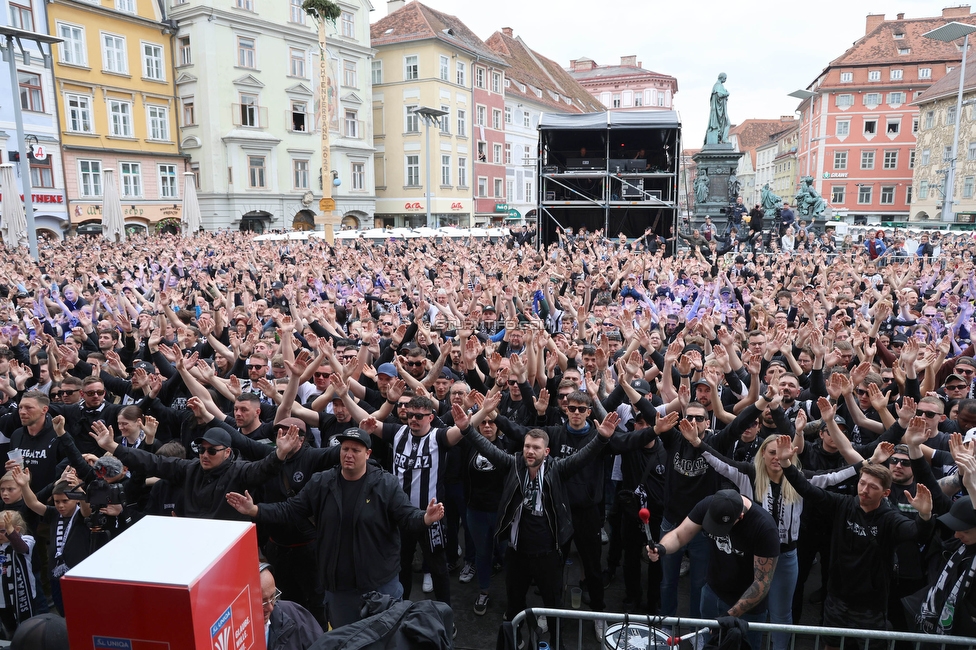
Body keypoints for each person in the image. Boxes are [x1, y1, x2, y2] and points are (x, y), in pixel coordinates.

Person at [226, 428, 446, 630]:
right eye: (344, 449)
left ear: (368, 453)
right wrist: (255, 510)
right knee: (344, 638)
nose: (348, 454)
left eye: (355, 450)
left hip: (380, 585)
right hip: (339, 588)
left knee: (383, 638)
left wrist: (426, 518)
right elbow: (290, 510)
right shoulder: (322, 482)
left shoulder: (386, 484)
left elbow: (407, 517)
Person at [457, 402, 619, 642]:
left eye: (536, 447)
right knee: (514, 605)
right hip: (517, 552)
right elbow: (489, 450)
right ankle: (516, 641)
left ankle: (556, 643)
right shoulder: (513, 464)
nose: (530, 451)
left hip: (547, 553)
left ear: (547, 452)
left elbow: (583, 458)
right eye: (526, 447)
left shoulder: (558, 469)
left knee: (553, 605)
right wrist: (466, 430)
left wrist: (602, 438)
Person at [777, 435, 934, 650]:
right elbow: (808, 490)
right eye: (862, 483)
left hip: (871, 605)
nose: (864, 490)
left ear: (885, 493)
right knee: (830, 644)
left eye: (872, 487)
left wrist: (925, 516)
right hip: (836, 597)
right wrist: (786, 463)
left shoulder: (888, 518)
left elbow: (915, 532)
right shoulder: (843, 504)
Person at [647, 487, 780, 650]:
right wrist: (662, 548)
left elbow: (762, 583)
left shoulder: (764, 528)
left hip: (747, 610)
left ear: (740, 516)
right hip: (712, 593)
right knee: (709, 644)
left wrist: (728, 616)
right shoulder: (709, 504)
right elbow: (679, 535)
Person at [259, 562, 323, 650]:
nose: (270, 607)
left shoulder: (293, 613)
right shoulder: (237, 636)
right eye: (263, 602)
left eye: (273, 597)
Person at [705, 73, 730, 146]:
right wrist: (727, 93)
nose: (725, 80)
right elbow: (719, 95)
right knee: (727, 123)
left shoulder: (718, 86)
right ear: (722, 78)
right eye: (725, 78)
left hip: (720, 111)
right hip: (719, 112)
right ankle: (724, 139)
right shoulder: (718, 86)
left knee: (727, 123)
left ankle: (722, 138)